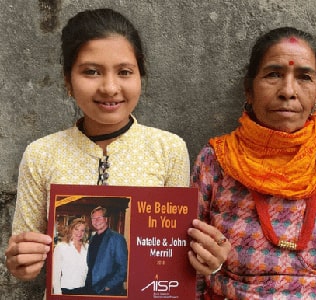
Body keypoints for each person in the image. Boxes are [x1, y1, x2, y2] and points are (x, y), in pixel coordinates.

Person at [188, 27, 316, 299]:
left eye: (304, 77)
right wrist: (210, 264)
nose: (288, 91)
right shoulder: (216, 161)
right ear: (248, 90)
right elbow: (184, 263)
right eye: (273, 74)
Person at [5, 7, 190, 290]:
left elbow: (172, 253)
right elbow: (25, 262)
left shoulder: (168, 150)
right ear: (68, 80)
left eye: (125, 72)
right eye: (91, 72)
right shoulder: (41, 154)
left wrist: (206, 263)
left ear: (141, 76)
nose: (110, 87)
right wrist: (21, 263)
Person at [85, 206, 127, 295]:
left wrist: (109, 286)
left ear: (106, 219)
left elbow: (123, 267)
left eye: (99, 218)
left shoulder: (117, 238)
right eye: (93, 218)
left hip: (107, 290)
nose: (96, 221)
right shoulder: (92, 238)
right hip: (90, 287)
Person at [52, 218, 88, 295]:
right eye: (76, 229)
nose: (79, 233)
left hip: (84, 290)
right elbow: (55, 273)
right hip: (66, 291)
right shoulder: (61, 247)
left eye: (82, 230)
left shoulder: (87, 247)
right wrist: (58, 294)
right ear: (71, 229)